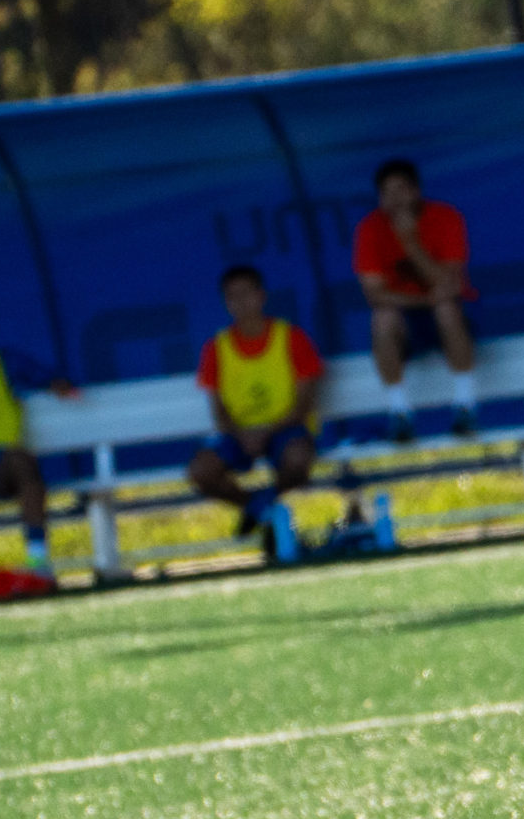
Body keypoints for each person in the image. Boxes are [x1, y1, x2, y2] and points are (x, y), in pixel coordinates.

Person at [187, 264, 324, 541]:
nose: (241, 302)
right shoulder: (216, 347)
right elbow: (218, 410)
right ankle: (260, 507)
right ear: (225, 303)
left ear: (261, 296)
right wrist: (242, 434)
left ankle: (261, 508)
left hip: (286, 428)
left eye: (246, 293)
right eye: (232, 296)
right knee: (201, 472)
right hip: (238, 434)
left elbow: (304, 403)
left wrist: (266, 432)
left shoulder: (291, 337)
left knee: (299, 460)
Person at [0, 278, 72, 591]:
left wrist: (58, 385)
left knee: (23, 464)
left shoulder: (3, 360)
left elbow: (50, 378)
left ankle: (38, 563)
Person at [353, 157, 480, 441]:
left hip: (453, 320)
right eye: (386, 193)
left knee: (447, 309)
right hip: (407, 320)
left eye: (401, 190)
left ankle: (466, 404)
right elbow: (374, 294)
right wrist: (426, 301)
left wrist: (411, 243)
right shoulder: (370, 227)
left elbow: (450, 285)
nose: (394, 200)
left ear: (416, 190)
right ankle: (399, 412)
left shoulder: (445, 217)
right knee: (383, 318)